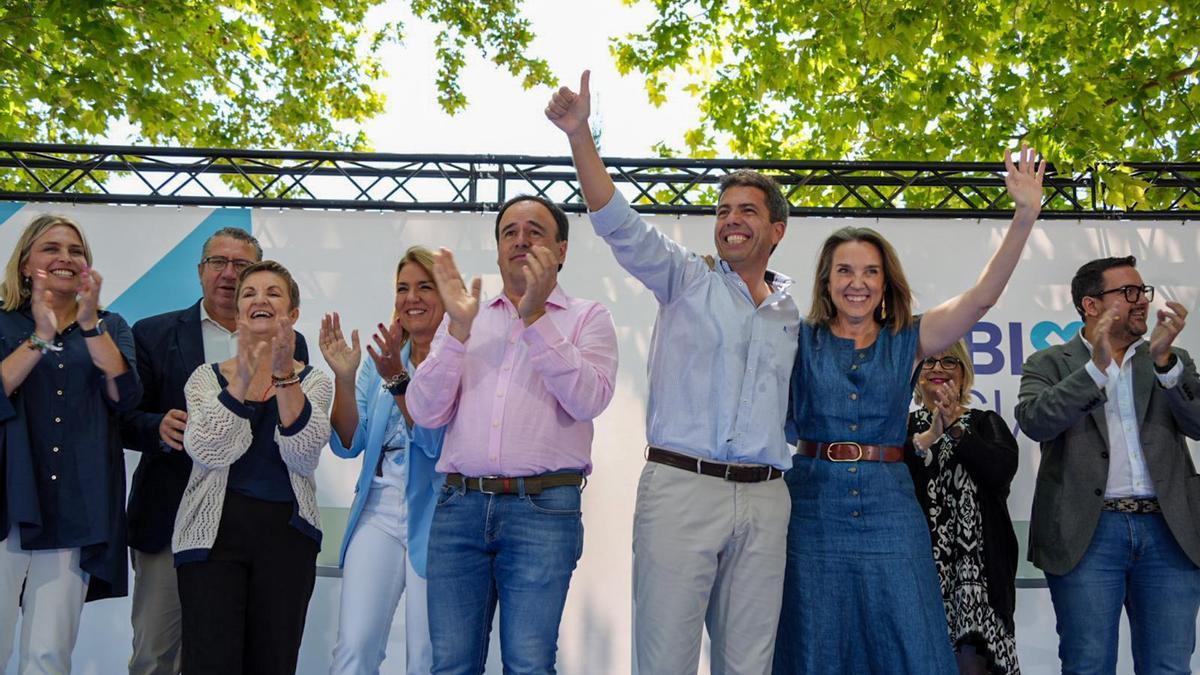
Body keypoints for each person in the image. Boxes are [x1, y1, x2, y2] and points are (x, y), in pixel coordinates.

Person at [546, 71, 798, 674]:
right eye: (723, 210)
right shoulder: (685, 277)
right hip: (682, 488)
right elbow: (617, 222)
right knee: (665, 665)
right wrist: (581, 136)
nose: (731, 220)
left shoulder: (795, 312)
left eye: (747, 211)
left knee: (750, 667)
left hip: (766, 497)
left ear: (777, 231)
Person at [775, 145, 1044, 674]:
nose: (857, 282)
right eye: (844, 271)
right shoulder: (794, 337)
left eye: (870, 272)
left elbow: (981, 299)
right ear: (826, 282)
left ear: (885, 283)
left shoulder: (910, 337)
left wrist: (1024, 216)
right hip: (811, 507)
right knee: (815, 641)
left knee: (909, 641)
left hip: (890, 508)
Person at [407, 195, 618, 673]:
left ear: (561, 250)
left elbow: (589, 400)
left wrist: (536, 316)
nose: (520, 239)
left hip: (542, 512)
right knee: (451, 666)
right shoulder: (464, 317)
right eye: (509, 232)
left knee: (528, 663)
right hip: (459, 508)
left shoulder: (588, 317)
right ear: (499, 248)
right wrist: (458, 331)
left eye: (535, 231)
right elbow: (425, 412)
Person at [120, 227, 308, 675]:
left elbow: (297, 431)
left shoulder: (290, 342)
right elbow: (125, 416)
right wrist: (156, 426)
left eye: (240, 265)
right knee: (156, 652)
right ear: (200, 271)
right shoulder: (153, 332)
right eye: (216, 263)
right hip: (169, 515)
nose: (227, 274)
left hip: (252, 528)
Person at [1016, 256, 1200, 674]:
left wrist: (1167, 364)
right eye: (1129, 293)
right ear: (1091, 305)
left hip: (1169, 531)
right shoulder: (1050, 363)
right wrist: (1096, 369)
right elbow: (1035, 422)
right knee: (1088, 664)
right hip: (1089, 533)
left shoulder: (1171, 358)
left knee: (1169, 666)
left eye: (1143, 292)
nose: (1142, 303)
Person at [172, 260, 331, 675]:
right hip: (210, 540)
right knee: (210, 663)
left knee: (273, 662)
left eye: (273, 293)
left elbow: (303, 453)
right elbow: (209, 449)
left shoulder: (315, 381)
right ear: (239, 314)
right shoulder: (204, 379)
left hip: (287, 539)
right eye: (250, 294)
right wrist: (242, 377)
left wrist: (282, 375)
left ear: (292, 315)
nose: (260, 299)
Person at [0, 214, 141, 672]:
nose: (65, 258)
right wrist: (41, 337)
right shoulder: (3, 322)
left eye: (75, 251)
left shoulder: (109, 326)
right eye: (52, 248)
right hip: (8, 500)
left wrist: (87, 325)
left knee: (49, 652)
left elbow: (125, 396)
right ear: (25, 264)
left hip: (75, 507)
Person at [323, 245, 447, 675]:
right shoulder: (381, 357)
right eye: (402, 288)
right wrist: (344, 376)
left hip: (439, 517)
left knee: (426, 657)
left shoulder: (459, 358)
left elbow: (436, 444)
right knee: (354, 648)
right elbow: (348, 442)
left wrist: (398, 377)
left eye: (424, 287)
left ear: (447, 296)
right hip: (377, 510)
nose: (411, 297)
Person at [904, 339, 1020, 674]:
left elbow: (999, 473)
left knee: (974, 663)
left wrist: (955, 427)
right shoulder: (901, 430)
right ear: (915, 376)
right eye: (929, 362)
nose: (938, 368)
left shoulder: (986, 423)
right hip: (919, 570)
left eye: (949, 362)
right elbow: (893, 481)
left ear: (964, 374)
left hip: (979, 578)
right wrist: (927, 438)